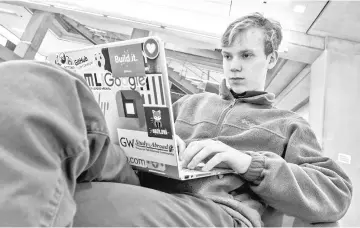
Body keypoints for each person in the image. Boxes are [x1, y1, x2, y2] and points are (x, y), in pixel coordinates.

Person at [0, 12, 352, 227]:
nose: (234, 66)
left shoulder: (288, 123)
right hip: (141, 177)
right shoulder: (192, 102)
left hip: (210, 207)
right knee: (34, 81)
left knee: (72, 202)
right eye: (228, 56)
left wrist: (249, 163)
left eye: (247, 55)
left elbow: (335, 194)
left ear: (271, 59)